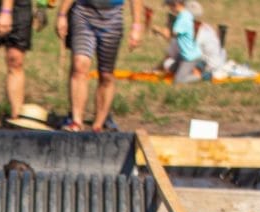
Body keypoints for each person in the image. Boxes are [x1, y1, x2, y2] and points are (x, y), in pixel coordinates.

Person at [56, 0, 143, 131]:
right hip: (83, 13)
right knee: (79, 65)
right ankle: (76, 121)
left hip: (112, 18)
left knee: (106, 75)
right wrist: (62, 15)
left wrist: (136, 26)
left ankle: (99, 123)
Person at [0, 0, 33, 123]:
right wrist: (6, 11)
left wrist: (42, 5)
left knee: (16, 59)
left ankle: (16, 116)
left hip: (20, 6)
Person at [151, 0, 202, 84]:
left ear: (176, 4)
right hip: (184, 55)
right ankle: (187, 71)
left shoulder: (183, 18)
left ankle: (199, 77)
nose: (169, 9)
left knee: (178, 81)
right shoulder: (185, 14)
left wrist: (158, 30)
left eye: (170, 5)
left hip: (190, 57)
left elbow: (171, 35)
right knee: (170, 69)